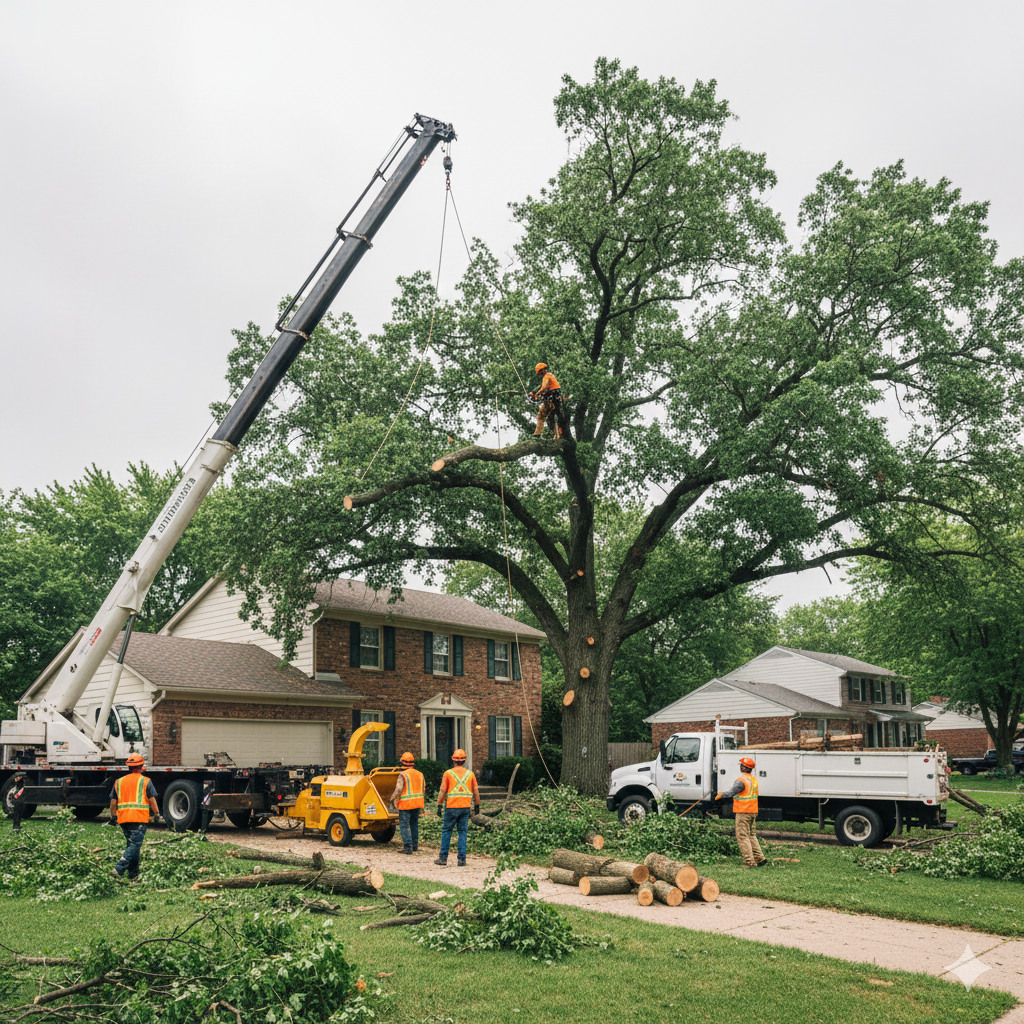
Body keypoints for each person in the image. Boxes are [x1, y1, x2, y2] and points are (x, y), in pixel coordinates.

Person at [109, 753, 159, 882]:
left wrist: (113, 816)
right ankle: (119, 869)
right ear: (142, 767)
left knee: (132, 845)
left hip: (123, 819)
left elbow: (113, 802)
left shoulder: (119, 782)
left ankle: (133, 875)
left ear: (128, 768)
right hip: (139, 818)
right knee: (135, 845)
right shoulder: (145, 781)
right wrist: (157, 813)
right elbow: (152, 799)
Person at [716, 756, 768, 868]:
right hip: (753, 810)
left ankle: (749, 862)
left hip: (744, 811)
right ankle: (760, 858)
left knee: (742, 836)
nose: (740, 767)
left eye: (741, 765)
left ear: (744, 768)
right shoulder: (753, 780)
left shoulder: (741, 781)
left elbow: (731, 793)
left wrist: (721, 795)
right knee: (751, 835)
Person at [434, 748, 479, 867]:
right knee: (463, 832)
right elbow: (476, 791)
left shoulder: (448, 773)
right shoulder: (471, 774)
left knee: (447, 831)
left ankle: (443, 858)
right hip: (465, 807)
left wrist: (439, 805)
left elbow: (443, 790)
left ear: (453, 760)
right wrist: (477, 805)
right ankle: (462, 860)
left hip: (451, 806)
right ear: (464, 760)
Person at [389, 752, 425, 855]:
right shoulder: (420, 774)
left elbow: (398, 789)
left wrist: (392, 799)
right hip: (417, 803)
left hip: (406, 804)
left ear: (402, 763)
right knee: (414, 824)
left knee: (404, 825)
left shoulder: (403, 775)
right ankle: (414, 845)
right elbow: (423, 789)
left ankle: (407, 847)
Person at [529, 362, 565, 439]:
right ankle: (557, 435)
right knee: (553, 417)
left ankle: (537, 434)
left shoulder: (547, 376)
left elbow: (544, 388)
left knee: (541, 415)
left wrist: (537, 394)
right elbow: (545, 391)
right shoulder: (551, 376)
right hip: (555, 399)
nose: (540, 374)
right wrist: (535, 396)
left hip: (551, 400)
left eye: (540, 372)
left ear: (543, 370)